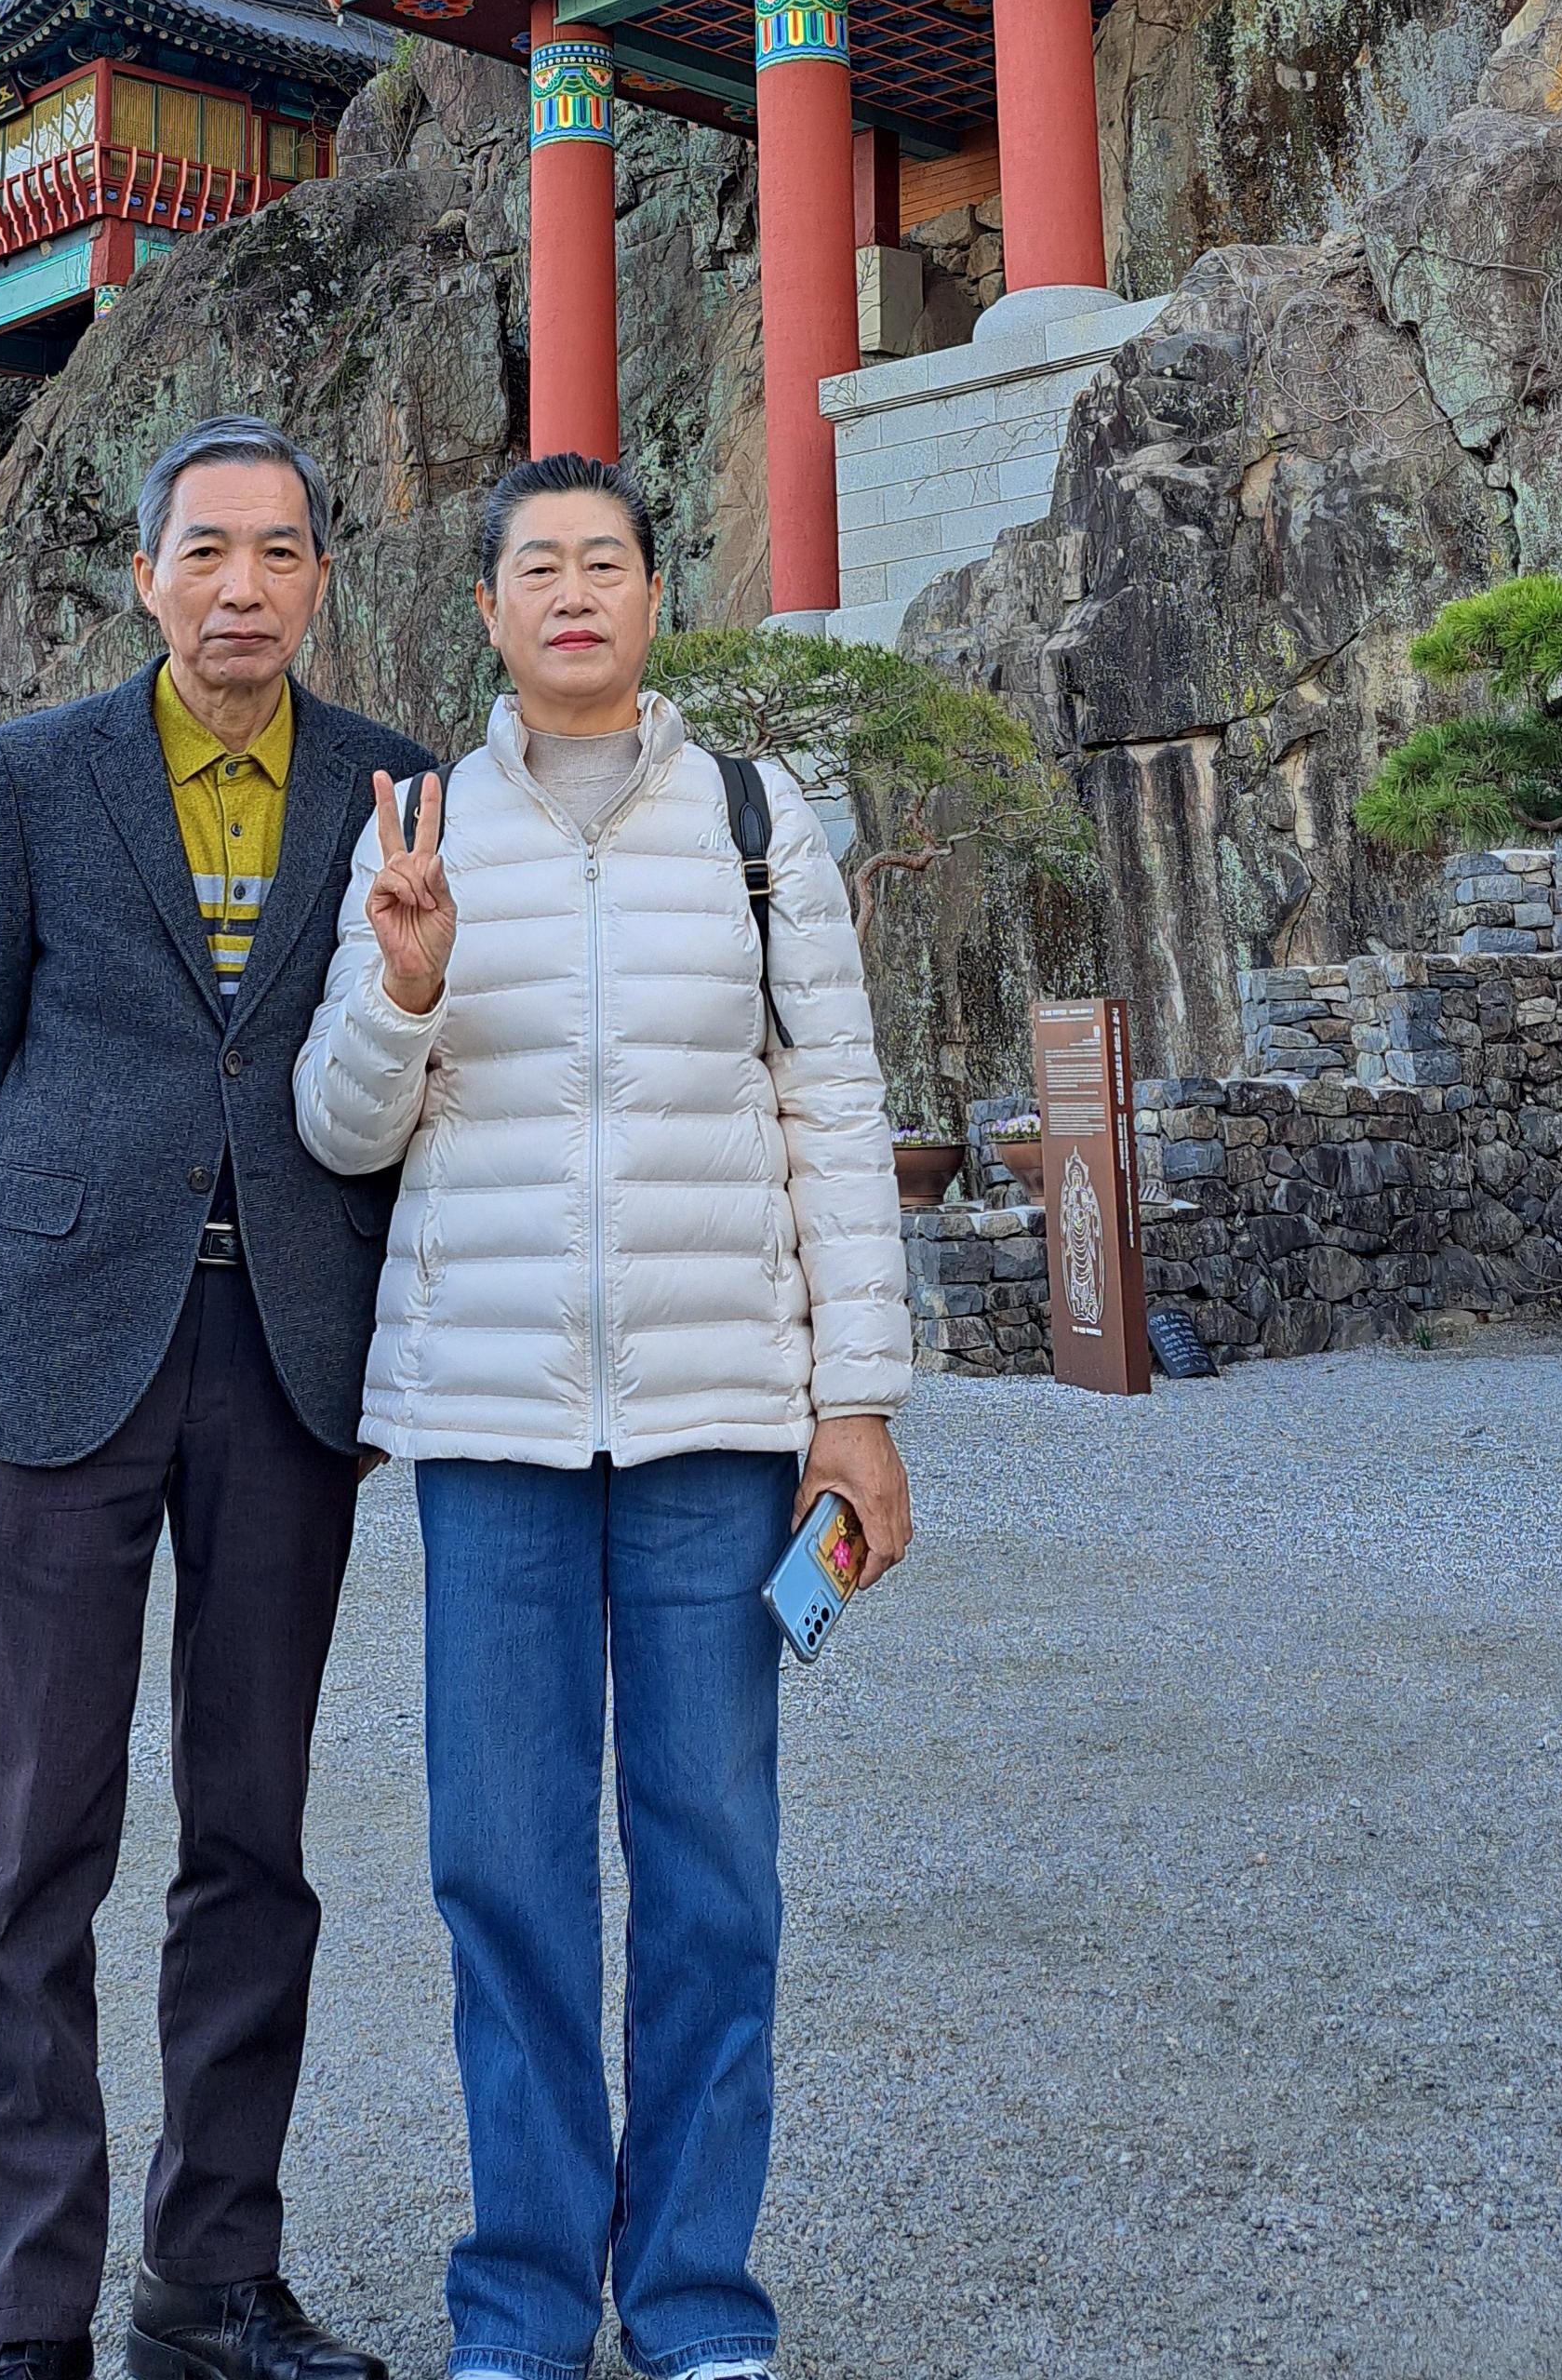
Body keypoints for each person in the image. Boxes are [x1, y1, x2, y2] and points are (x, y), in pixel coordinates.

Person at [294, 448, 913, 2380]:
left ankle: (699, 2293)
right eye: (536, 566)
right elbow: (338, 1126)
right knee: (503, 1865)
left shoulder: (755, 817)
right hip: (489, 1430)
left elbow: (834, 1112)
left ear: (657, 595)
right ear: (485, 608)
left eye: (606, 561)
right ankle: (524, 2293)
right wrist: (403, 986)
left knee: (714, 1866)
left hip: (718, 1420)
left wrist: (859, 1401)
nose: (573, 591)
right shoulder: (417, 822)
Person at [0, 413, 433, 2380]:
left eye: (279, 552)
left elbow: (416, 1058)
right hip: (60, 1337)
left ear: (322, 577)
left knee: (253, 1829)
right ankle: (28, 2312)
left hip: (287, 1342)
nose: (241, 589)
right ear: (145, 575)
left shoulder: (392, 785)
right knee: (38, 1831)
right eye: (207, 551)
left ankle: (211, 2275)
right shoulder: (36, 772)